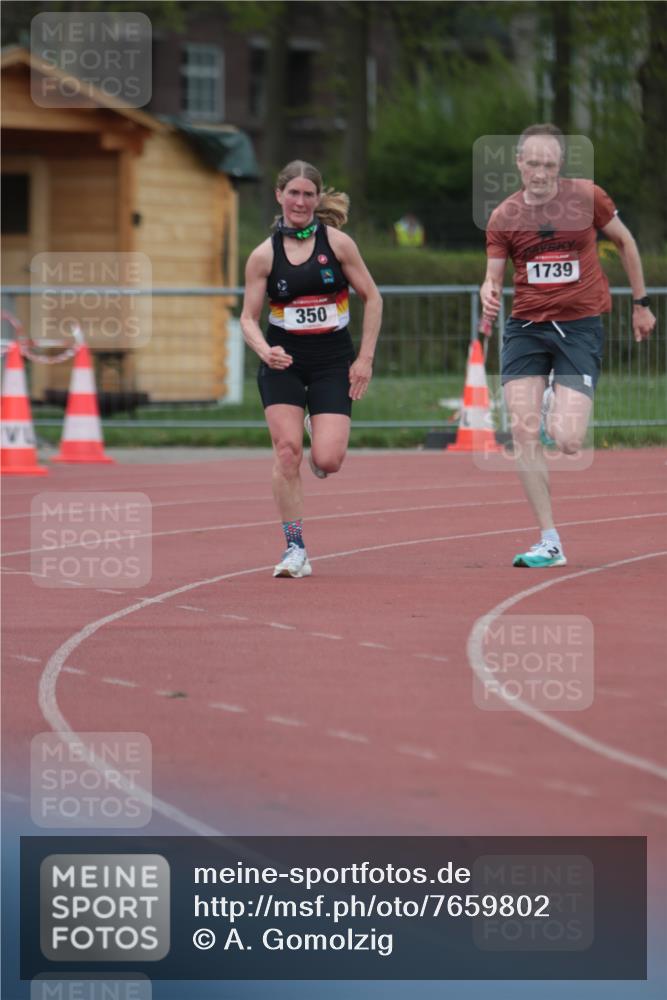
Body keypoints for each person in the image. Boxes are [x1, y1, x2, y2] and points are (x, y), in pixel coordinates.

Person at [480, 123, 656, 568]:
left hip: (579, 328)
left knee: (569, 439)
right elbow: (493, 275)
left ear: (560, 165)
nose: (540, 173)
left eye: (549, 164)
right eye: (532, 163)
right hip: (526, 328)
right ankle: (549, 539)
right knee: (522, 431)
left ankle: (555, 400)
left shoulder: (587, 198)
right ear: (519, 163)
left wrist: (641, 304)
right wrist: (487, 290)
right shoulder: (503, 216)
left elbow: (625, 242)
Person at [241, 160, 383, 578]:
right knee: (287, 453)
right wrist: (265, 351)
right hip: (283, 362)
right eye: (293, 193)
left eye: (308, 194)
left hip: (332, 362)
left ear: (317, 198)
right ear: (279, 195)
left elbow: (372, 298)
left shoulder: (338, 245)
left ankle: (318, 431)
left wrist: (365, 359)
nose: (300, 201)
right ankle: (294, 548)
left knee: (328, 458)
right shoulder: (263, 256)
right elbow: (248, 318)